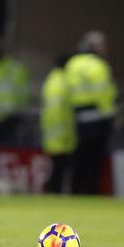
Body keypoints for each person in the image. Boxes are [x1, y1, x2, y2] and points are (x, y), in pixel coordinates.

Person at [65, 31, 117, 194]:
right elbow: (103, 94)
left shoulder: (73, 63)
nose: (105, 48)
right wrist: (110, 117)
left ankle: (76, 190)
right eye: (103, 45)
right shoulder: (97, 65)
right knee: (94, 159)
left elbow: (68, 90)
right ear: (95, 46)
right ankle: (91, 190)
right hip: (97, 118)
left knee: (80, 156)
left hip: (79, 117)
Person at [40, 55, 77, 194]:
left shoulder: (50, 81)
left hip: (51, 131)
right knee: (60, 168)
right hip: (63, 133)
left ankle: (52, 190)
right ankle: (54, 191)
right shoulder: (64, 82)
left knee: (56, 167)